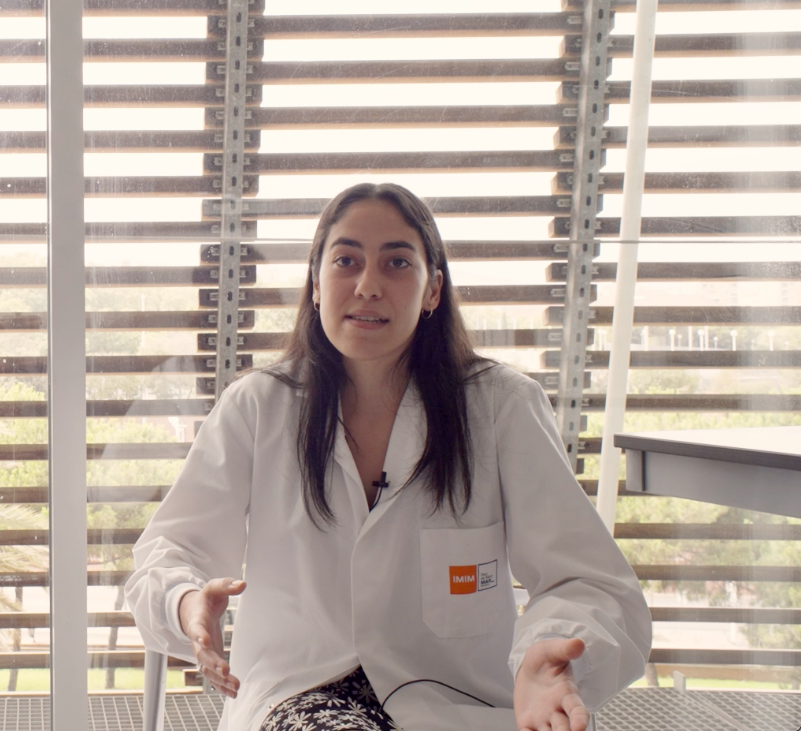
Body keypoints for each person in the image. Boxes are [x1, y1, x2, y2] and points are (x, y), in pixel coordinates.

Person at [127, 183, 651, 731]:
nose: (368, 285)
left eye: (397, 263)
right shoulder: (259, 405)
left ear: (432, 291)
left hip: (456, 702)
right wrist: (185, 602)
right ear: (316, 282)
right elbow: (169, 550)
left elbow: (591, 582)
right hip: (295, 694)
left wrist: (553, 656)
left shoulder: (502, 407)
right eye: (346, 260)